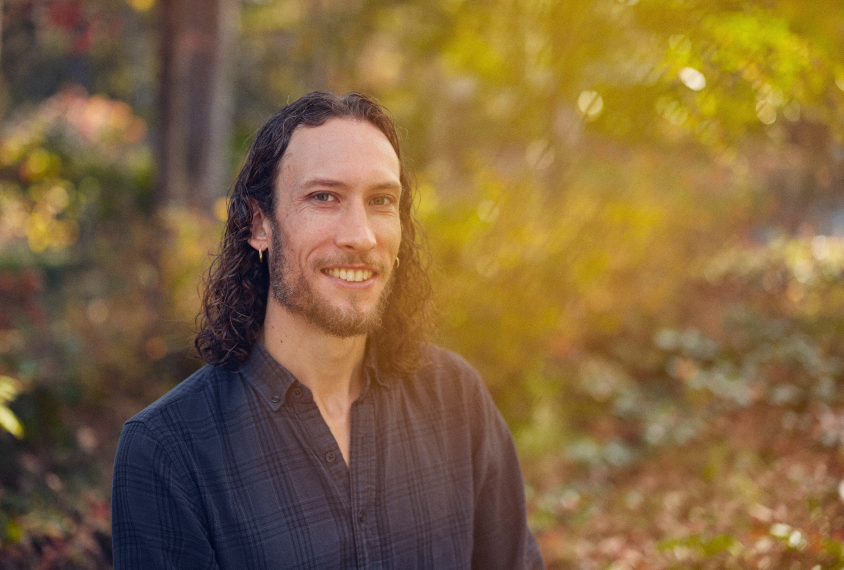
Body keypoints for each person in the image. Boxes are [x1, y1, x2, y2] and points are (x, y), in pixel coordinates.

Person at [111, 91, 545, 570]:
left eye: (381, 201)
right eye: (324, 197)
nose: (360, 235)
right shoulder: (169, 451)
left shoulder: (457, 400)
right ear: (260, 224)